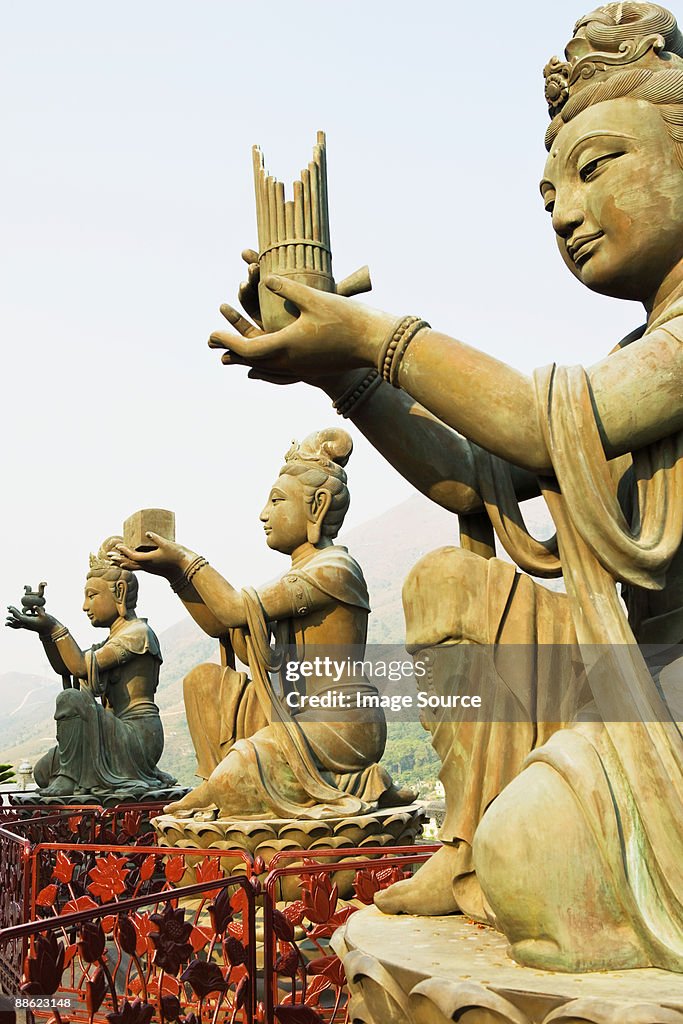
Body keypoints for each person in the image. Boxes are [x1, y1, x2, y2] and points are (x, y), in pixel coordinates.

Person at [206, 2, 683, 973]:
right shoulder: (639, 352)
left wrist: (373, 336)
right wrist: (345, 375)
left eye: (593, 167)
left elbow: (535, 416)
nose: (560, 206)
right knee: (444, 581)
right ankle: (460, 844)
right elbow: (479, 476)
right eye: (547, 188)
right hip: (634, 677)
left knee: (535, 865)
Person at [114, 428, 403, 819]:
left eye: (277, 501)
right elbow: (225, 627)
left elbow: (235, 609)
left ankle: (223, 789)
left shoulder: (334, 569)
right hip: (295, 712)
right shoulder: (301, 574)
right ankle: (215, 784)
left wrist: (185, 559)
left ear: (316, 506)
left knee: (241, 769)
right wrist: (174, 577)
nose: (264, 514)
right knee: (203, 681)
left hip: (342, 723)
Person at [5, 539, 175, 799]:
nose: (85, 606)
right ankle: (67, 775)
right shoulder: (109, 642)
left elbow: (80, 668)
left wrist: (55, 627)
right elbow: (66, 666)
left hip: (136, 738)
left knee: (71, 699)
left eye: (92, 596)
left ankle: (70, 777)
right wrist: (44, 633)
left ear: (118, 592)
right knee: (43, 772)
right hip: (109, 732)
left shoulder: (138, 634)